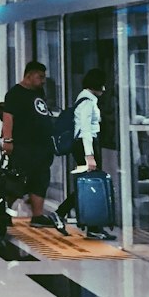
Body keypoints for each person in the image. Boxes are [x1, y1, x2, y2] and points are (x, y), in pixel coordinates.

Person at [55, 68, 116, 240]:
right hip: (85, 146)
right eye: (102, 85)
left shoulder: (85, 100)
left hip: (84, 145)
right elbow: (86, 131)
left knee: (89, 183)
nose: (104, 89)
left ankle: (93, 226)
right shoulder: (87, 103)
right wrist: (89, 156)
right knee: (89, 183)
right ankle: (62, 212)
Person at [1, 61, 59, 228]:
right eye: (40, 77)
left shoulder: (39, 92)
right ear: (29, 75)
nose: (42, 81)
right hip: (23, 146)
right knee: (17, 182)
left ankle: (38, 216)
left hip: (41, 147)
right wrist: (8, 140)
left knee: (40, 180)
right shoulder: (15, 93)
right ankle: (5, 212)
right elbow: (8, 117)